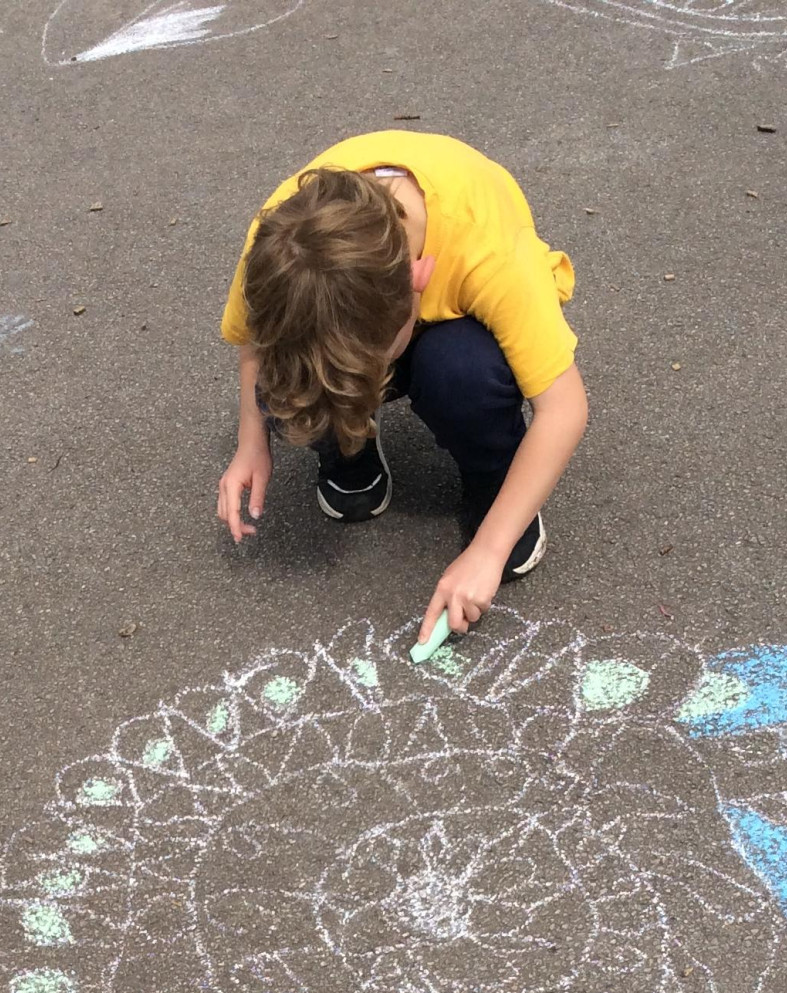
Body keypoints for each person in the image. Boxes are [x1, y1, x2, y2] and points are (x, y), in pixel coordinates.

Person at [215, 131, 588, 647]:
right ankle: (349, 456)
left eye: (374, 364)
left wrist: (489, 550)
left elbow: (564, 408)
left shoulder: (490, 253)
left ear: (420, 278)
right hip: (370, 311)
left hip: (454, 331)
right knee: (295, 374)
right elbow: (257, 340)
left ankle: (492, 480)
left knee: (460, 370)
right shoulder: (282, 246)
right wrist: (251, 441)